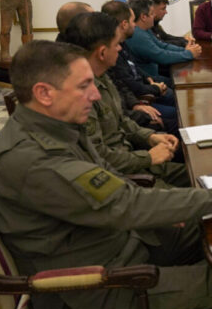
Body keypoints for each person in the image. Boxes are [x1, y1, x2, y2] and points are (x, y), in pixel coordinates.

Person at [0, 40, 212, 309]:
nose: (97, 94)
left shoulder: (58, 127)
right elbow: (126, 205)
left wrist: (179, 206)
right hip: (94, 286)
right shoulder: (32, 161)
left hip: (118, 243)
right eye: (84, 85)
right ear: (44, 93)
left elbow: (115, 190)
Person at [62, 11, 188, 187]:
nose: (121, 48)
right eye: (116, 44)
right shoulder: (81, 95)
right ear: (102, 53)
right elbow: (98, 156)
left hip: (135, 161)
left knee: (202, 172)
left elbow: (121, 121)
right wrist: (148, 157)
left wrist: (150, 137)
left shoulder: (103, 76)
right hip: (124, 178)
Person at [102, 0, 178, 134]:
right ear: (124, 24)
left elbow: (133, 66)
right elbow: (126, 84)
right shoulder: (113, 51)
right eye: (132, 21)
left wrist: (147, 77)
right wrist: (154, 89)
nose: (134, 25)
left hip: (139, 95)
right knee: (178, 113)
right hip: (138, 101)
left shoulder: (122, 43)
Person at [124, 0, 202, 80]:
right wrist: (189, 54)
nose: (154, 16)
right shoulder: (138, 35)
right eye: (152, 13)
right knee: (182, 81)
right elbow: (161, 56)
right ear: (143, 17)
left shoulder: (145, 29)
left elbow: (162, 45)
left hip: (155, 74)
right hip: (148, 80)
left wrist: (185, 50)